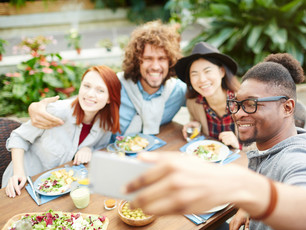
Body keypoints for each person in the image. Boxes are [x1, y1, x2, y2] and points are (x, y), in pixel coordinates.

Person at [124, 53, 306, 230]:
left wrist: (240, 186)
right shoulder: (265, 146)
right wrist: (247, 206)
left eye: (251, 104)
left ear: (287, 107)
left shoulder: (299, 156)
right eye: (236, 104)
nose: (238, 113)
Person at [28, 20, 187, 138]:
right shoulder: (117, 84)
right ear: (137, 59)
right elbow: (83, 101)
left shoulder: (177, 91)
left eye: (162, 59)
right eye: (148, 58)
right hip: (108, 155)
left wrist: (195, 120)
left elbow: (204, 98)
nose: (155, 66)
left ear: (170, 60)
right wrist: (35, 108)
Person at [3, 65, 121, 198]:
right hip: (23, 184)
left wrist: (88, 149)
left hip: (58, 189)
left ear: (110, 98)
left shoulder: (105, 124)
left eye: (100, 90)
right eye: (87, 86)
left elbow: (99, 151)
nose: (90, 94)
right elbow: (19, 137)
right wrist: (18, 173)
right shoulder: (57, 111)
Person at [175, 42, 241, 148]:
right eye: (194, 74)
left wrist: (238, 144)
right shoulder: (193, 103)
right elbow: (201, 133)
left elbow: (263, 144)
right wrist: (197, 126)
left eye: (207, 71)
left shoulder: (245, 102)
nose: (202, 79)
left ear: (221, 72)